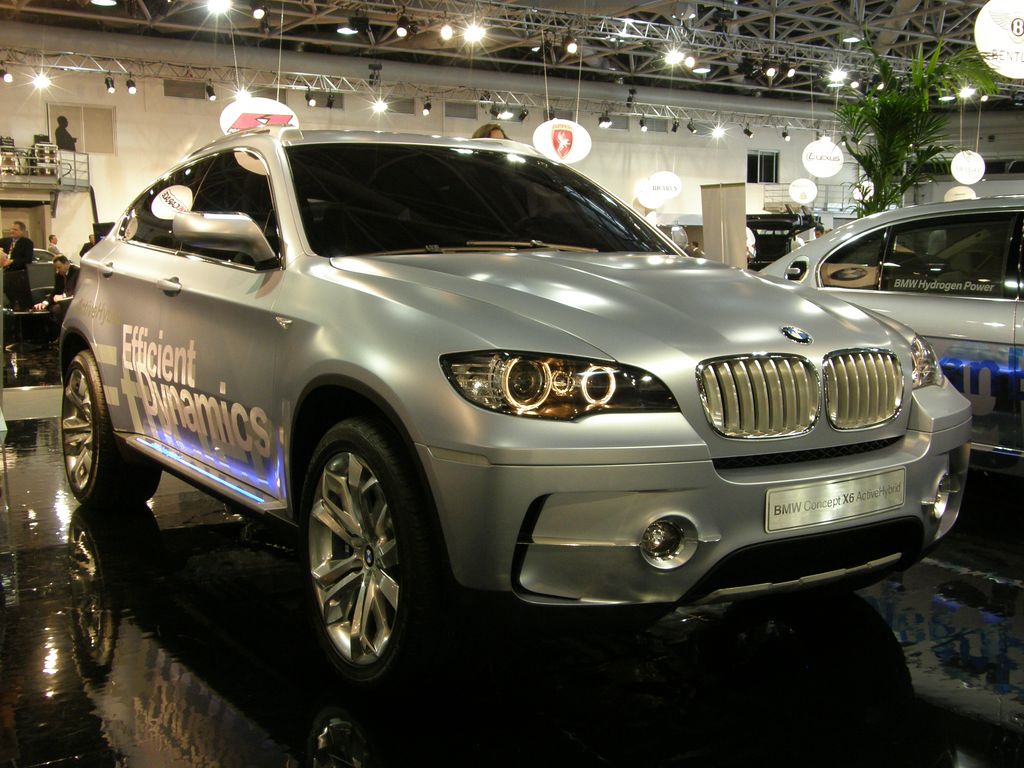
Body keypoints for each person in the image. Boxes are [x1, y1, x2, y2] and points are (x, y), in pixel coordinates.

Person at [33, 254, 79, 342]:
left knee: (57, 309)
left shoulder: (77, 272)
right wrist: (45, 303)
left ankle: (63, 337)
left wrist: (63, 296)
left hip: (74, 301)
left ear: (67, 264)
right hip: (62, 302)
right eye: (56, 268)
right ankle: (49, 338)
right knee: (46, 309)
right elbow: (56, 291)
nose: (57, 271)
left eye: (59, 267)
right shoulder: (59, 275)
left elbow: (79, 290)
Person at [2, 220, 35, 310]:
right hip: (4, 274)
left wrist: (12, 261)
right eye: (11, 229)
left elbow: (28, 260)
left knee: (21, 302)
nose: (12, 231)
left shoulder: (27, 243)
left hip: (19, 275)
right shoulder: (4, 241)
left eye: (15, 229)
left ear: (22, 231)